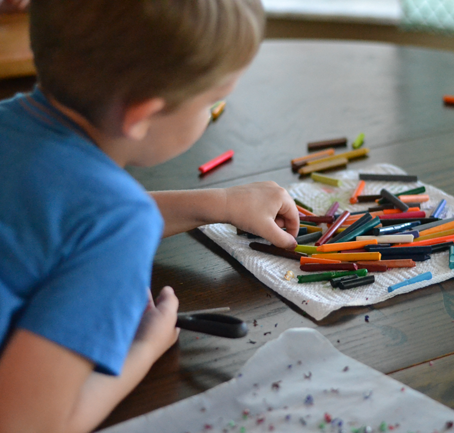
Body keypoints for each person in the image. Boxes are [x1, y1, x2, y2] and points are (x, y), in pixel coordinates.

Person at [0, 1, 298, 432]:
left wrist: (220, 204)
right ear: (142, 116)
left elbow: (63, 217)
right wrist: (143, 349)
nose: (213, 114)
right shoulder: (115, 222)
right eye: (213, 103)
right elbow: (30, 424)